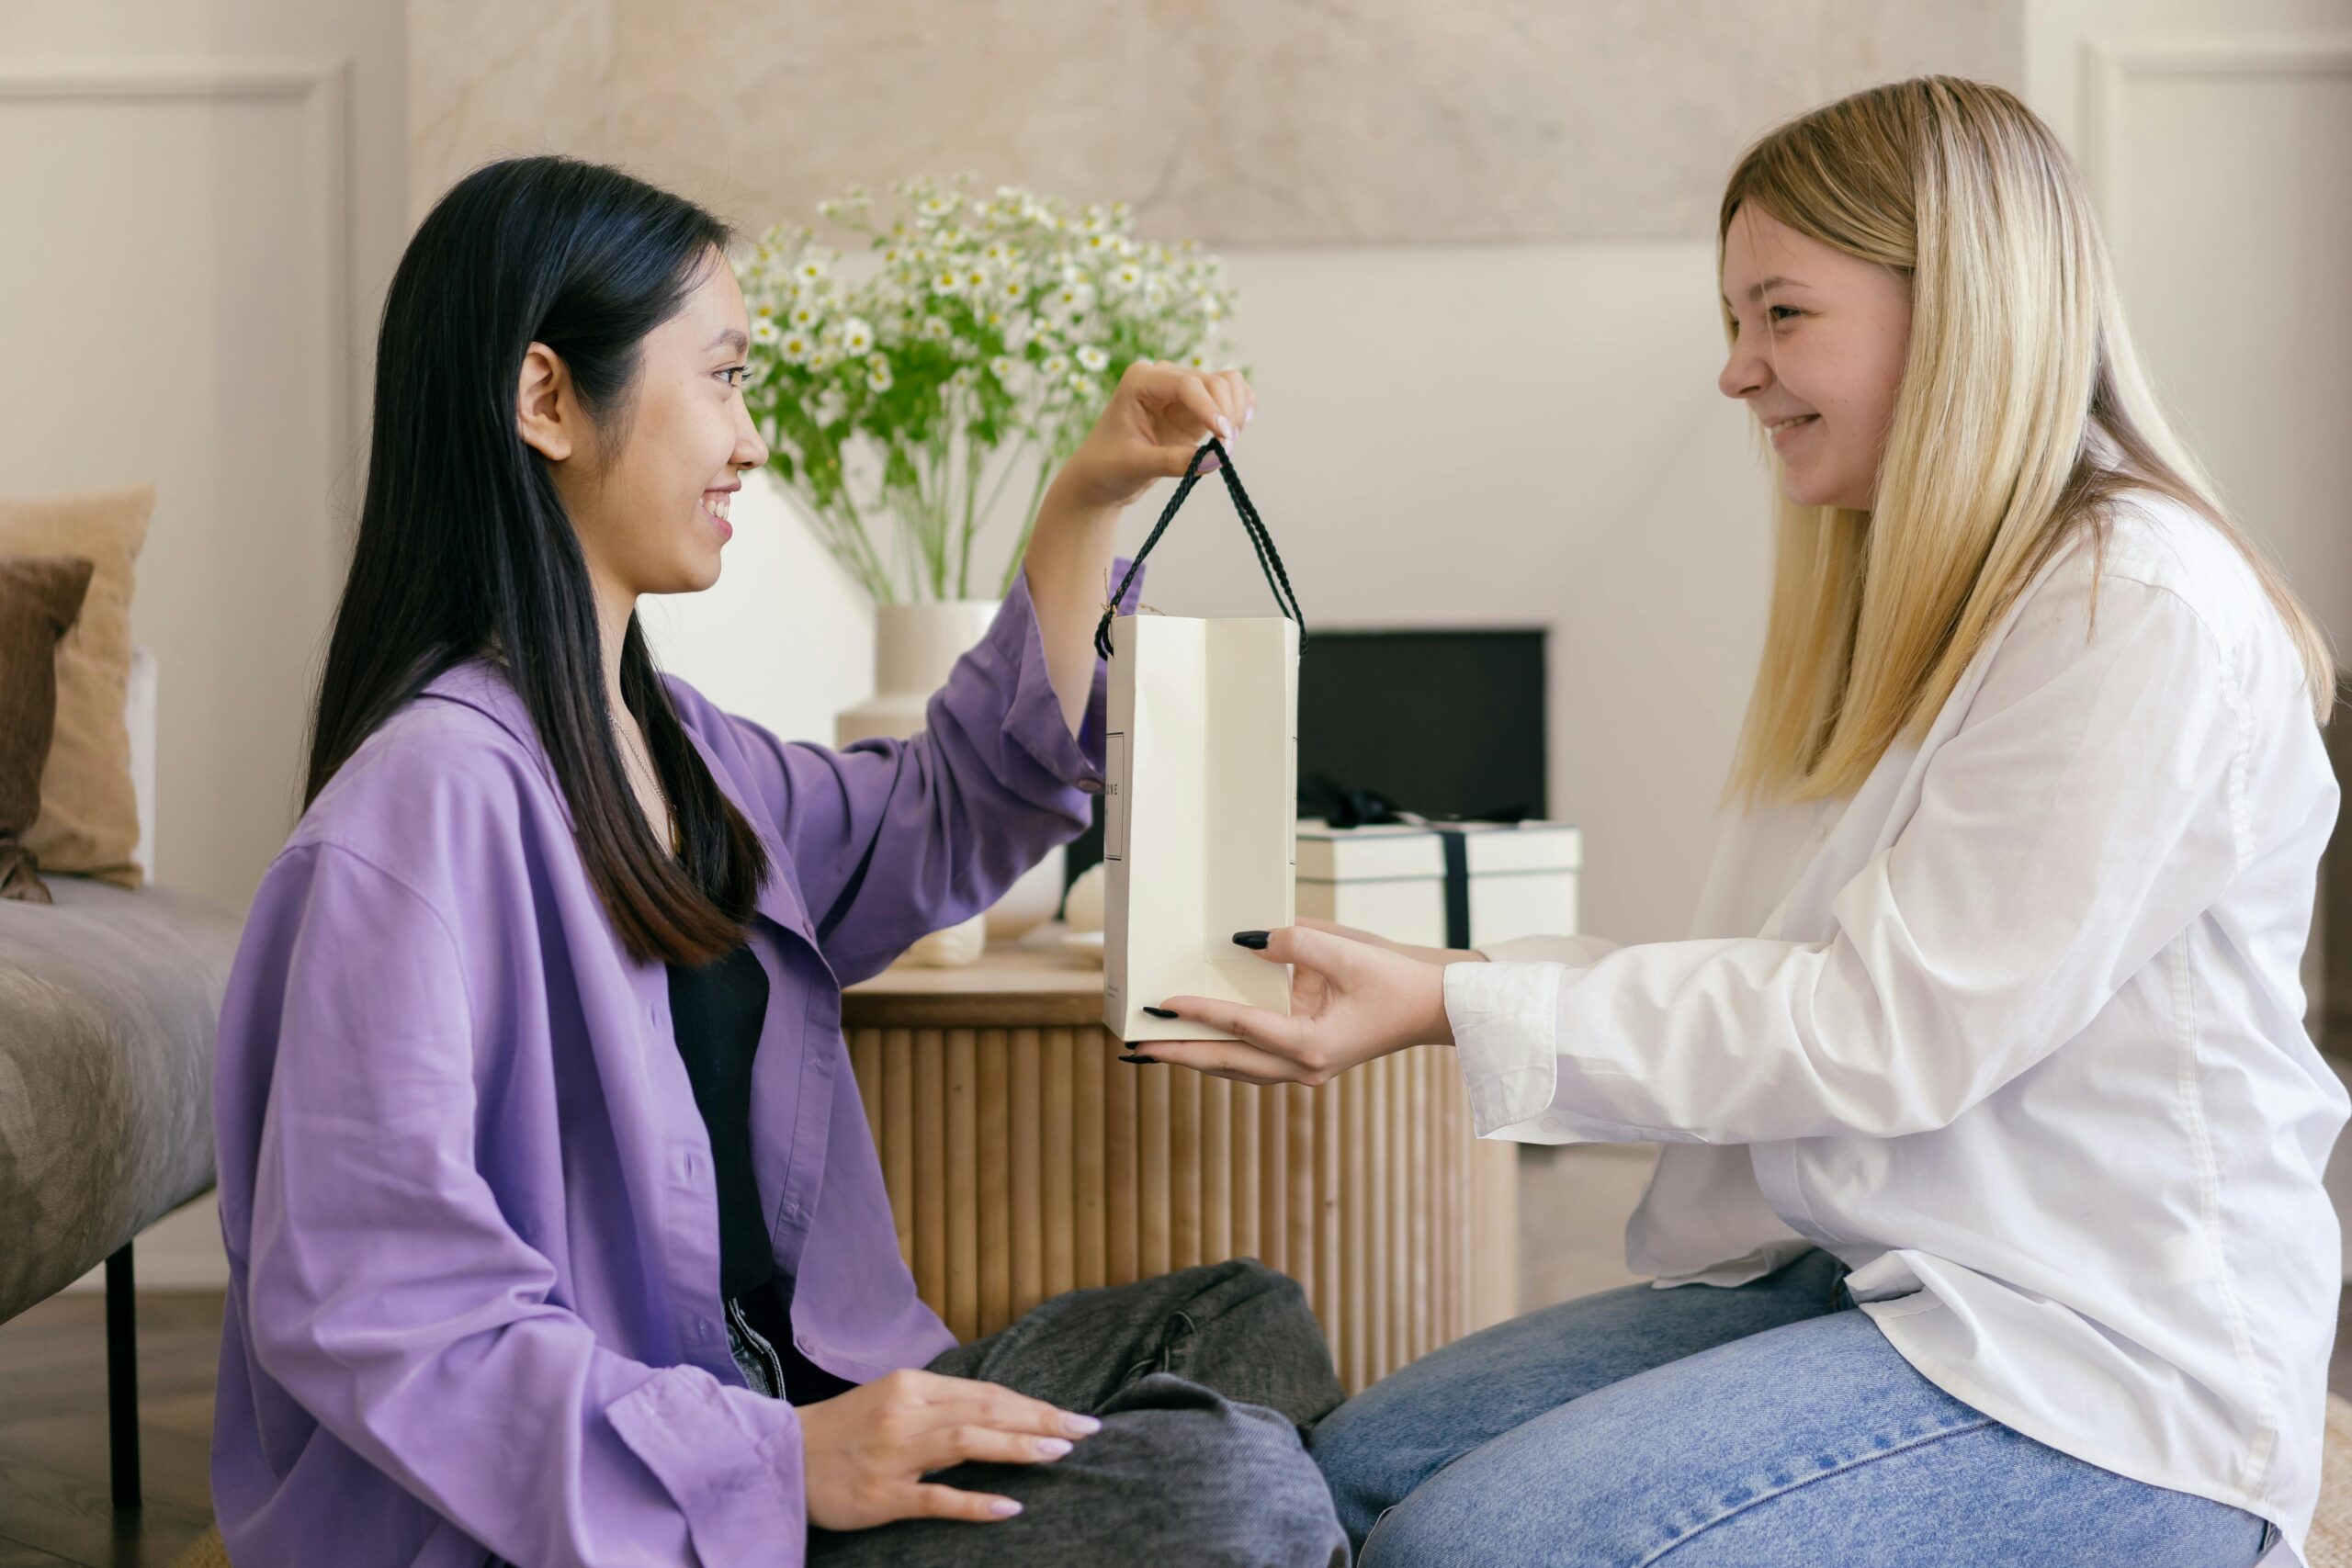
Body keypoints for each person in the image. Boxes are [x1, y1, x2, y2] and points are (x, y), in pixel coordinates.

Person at [1136, 77, 2345, 1567]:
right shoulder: (1934, 599)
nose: (1735, 372)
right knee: (1349, 1478)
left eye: (1781, 315)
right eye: (1735, 321)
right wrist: (1432, 973)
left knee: (1473, 1551)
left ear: (1959, 309)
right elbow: (1780, 973)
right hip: (1874, 1278)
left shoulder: (2132, 611)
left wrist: (1456, 1004)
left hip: (2097, 1361)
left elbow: (1886, 1028)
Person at [208, 155, 1347, 1567]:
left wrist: (1085, 498)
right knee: (1231, 1492)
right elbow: (388, 1312)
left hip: (793, 1411)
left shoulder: (674, 746)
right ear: (548, 398)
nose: (751, 444)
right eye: (727, 378)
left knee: (1245, 1325)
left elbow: (939, 814)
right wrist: (782, 1460)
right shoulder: (420, 815)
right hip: (663, 1501)